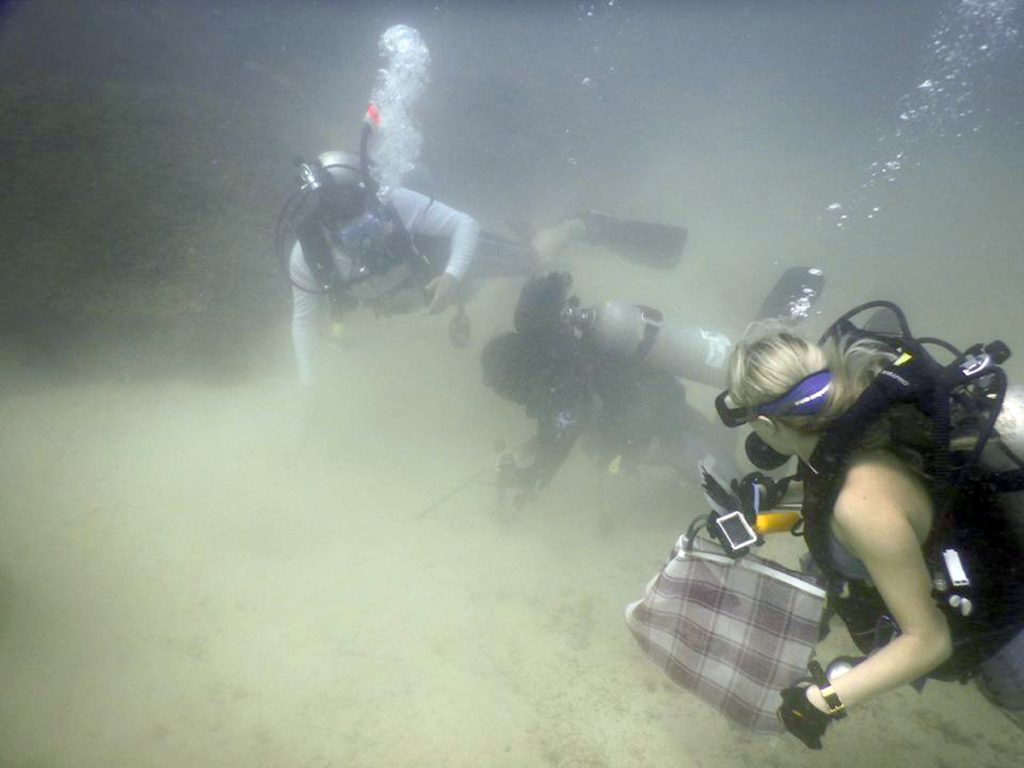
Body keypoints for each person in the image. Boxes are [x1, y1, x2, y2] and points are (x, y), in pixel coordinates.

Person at [716, 304, 1024, 748]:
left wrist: (824, 702)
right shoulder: (847, 433)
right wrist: (762, 520)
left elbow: (929, 641)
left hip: (1012, 641)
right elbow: (839, 524)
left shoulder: (860, 503)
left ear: (764, 423)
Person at [281, 151, 689, 388]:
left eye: (363, 213)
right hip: (415, 288)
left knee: (533, 258)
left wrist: (454, 275)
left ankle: (579, 224)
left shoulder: (395, 201)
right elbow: (304, 322)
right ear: (322, 225)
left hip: (446, 258)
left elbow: (464, 226)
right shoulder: (309, 257)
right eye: (344, 224)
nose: (362, 229)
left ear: (370, 196)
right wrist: (308, 385)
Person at [482, 272, 736, 500]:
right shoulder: (559, 354)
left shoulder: (557, 376)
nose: (515, 398)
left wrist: (531, 475)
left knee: (713, 467)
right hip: (656, 401)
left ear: (517, 377)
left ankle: (745, 490)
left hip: (653, 422)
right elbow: (561, 419)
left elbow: (568, 421)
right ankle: (738, 444)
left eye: (508, 390)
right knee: (698, 439)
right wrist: (534, 447)